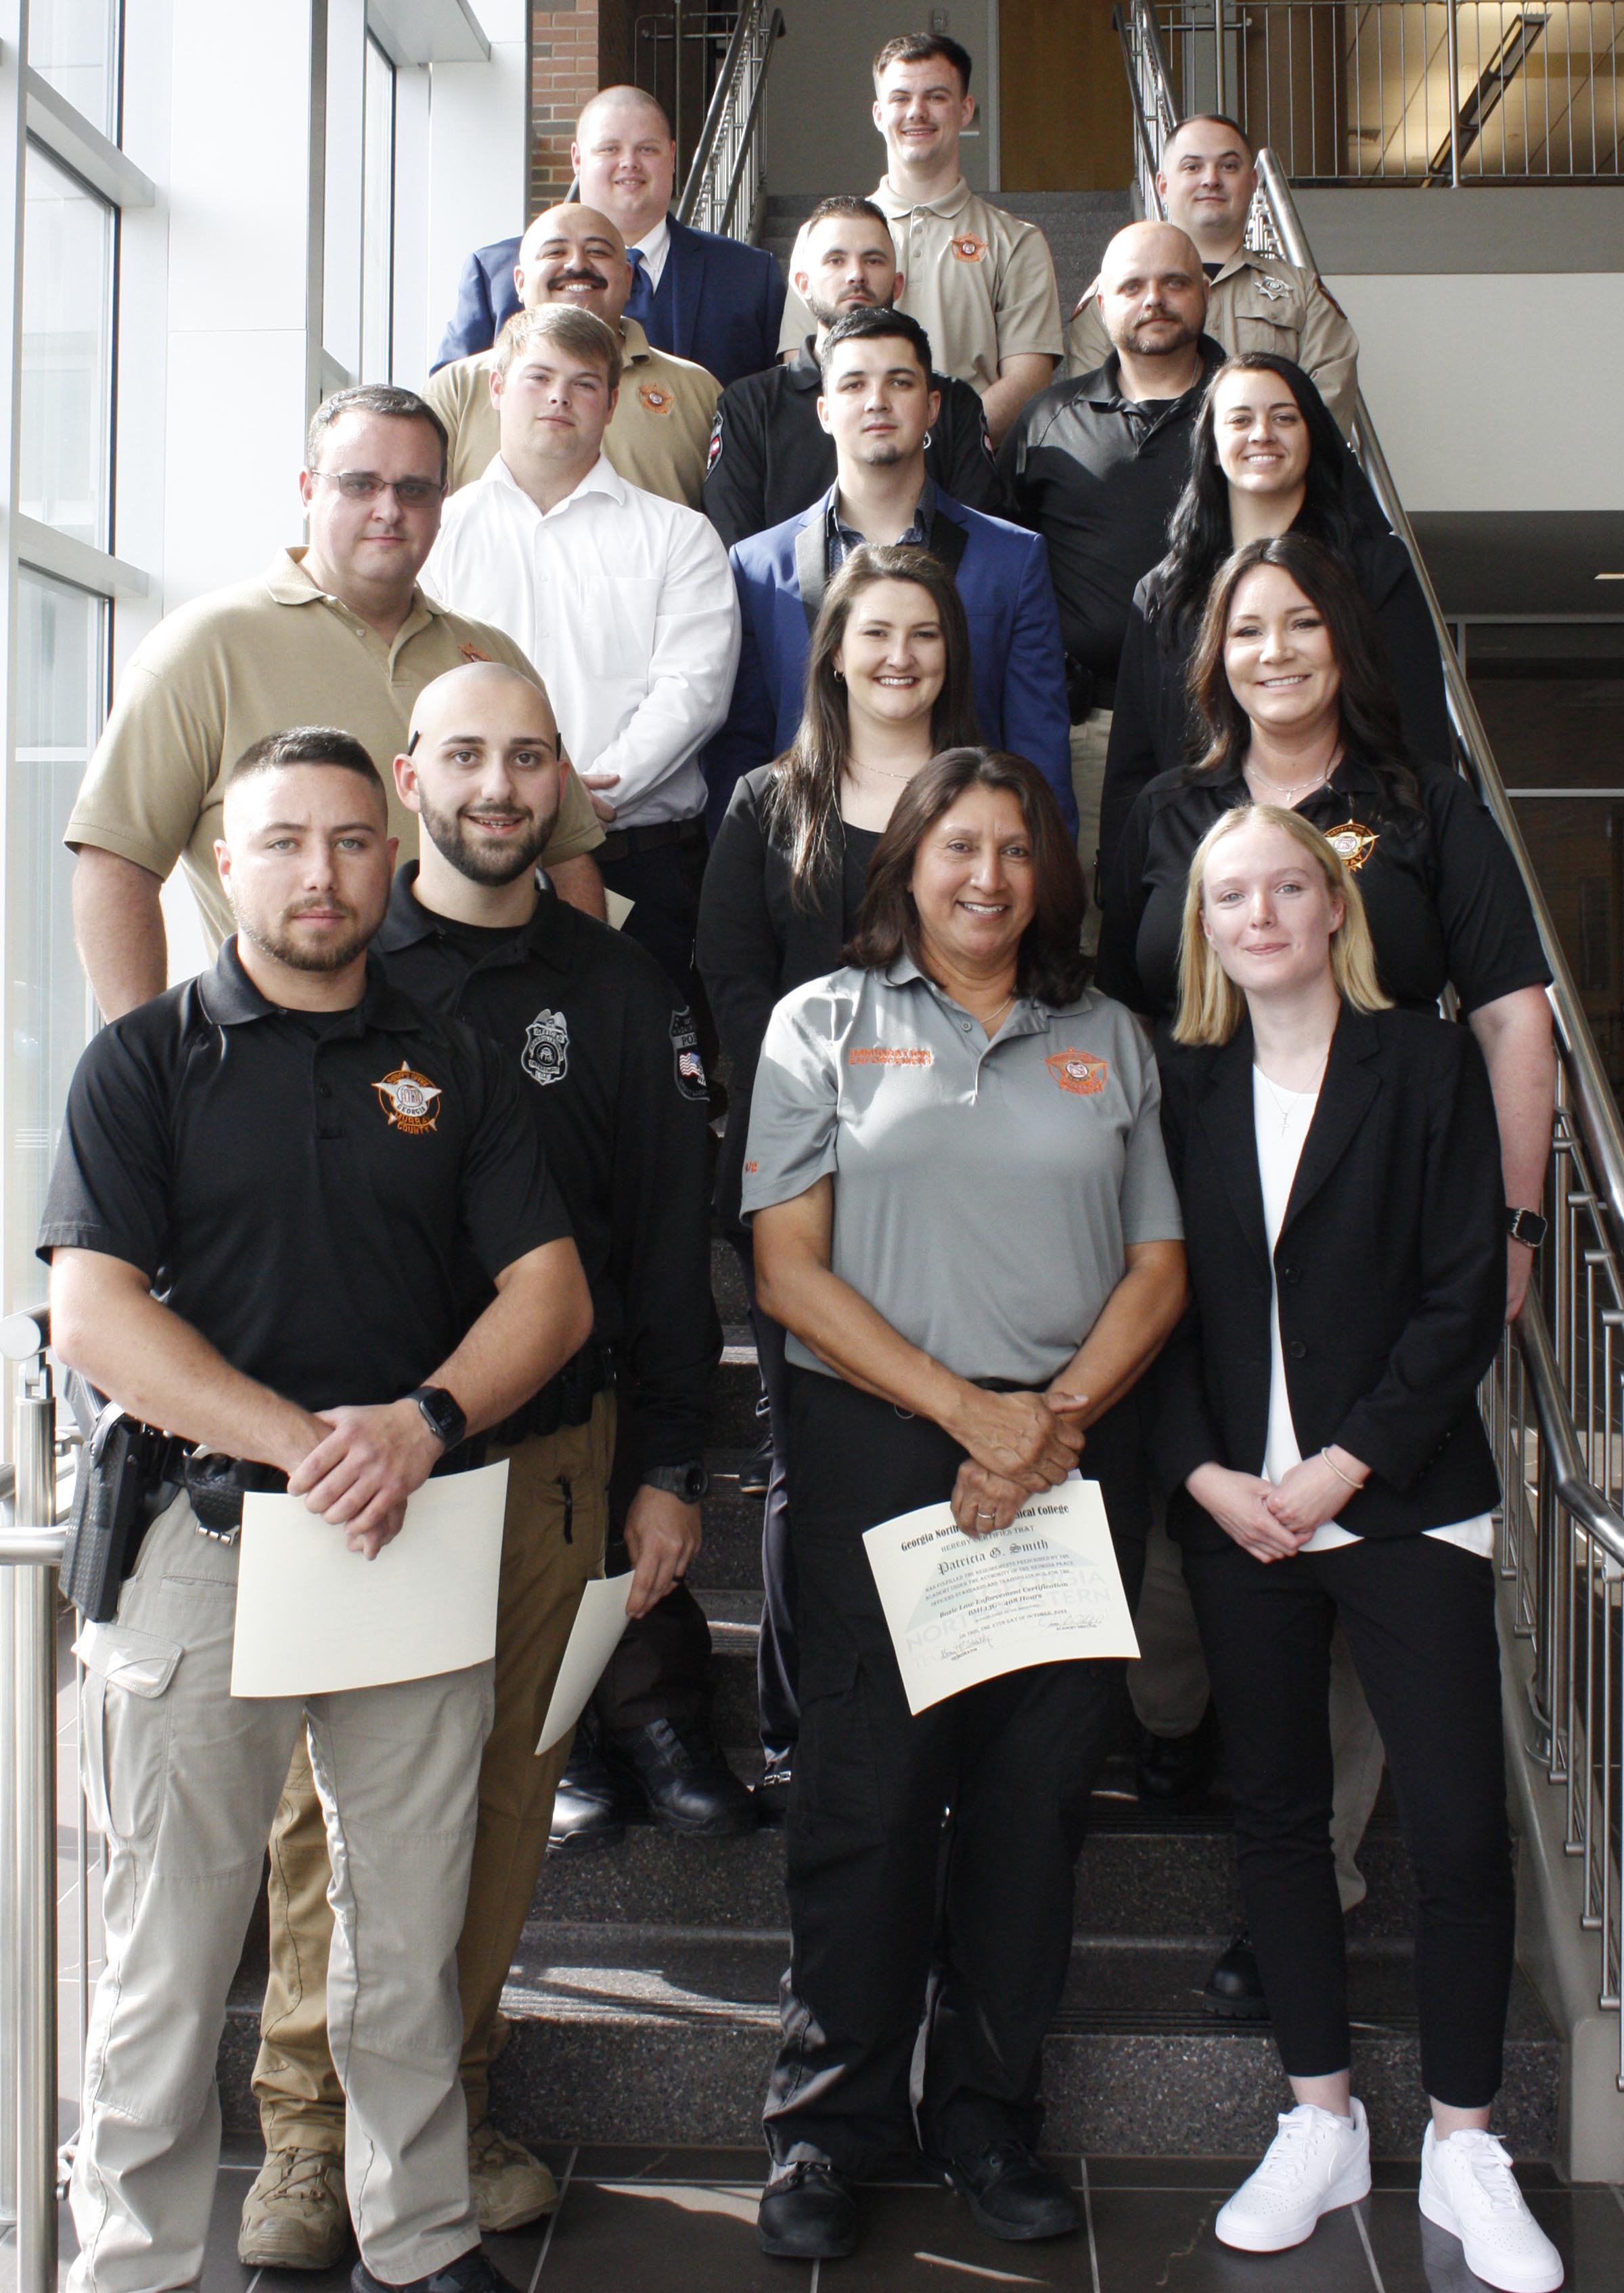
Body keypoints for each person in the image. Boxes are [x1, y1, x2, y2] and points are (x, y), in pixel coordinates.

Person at [43, 729, 593, 2293]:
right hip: (199, 1546)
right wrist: (300, 1443)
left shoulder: (454, 1061)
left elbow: (545, 1295)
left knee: (406, 1938)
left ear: (392, 850)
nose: (320, 873)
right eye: (284, 841)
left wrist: (419, 1425)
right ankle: (134, 2264)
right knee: (164, 1948)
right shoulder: (143, 1060)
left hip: (406, 1539)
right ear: (227, 858)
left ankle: (416, 2244)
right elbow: (92, 1314)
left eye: (353, 842)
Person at [241, 666, 736, 2267]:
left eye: (527, 758)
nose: (498, 784)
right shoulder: (329, 962)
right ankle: (309, 2145)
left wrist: (669, 1467)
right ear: (407, 782)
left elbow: (666, 1258)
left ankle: (440, 2106)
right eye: (465, 754)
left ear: (563, 785)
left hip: (553, 1465)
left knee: (502, 1803)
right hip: (355, 1481)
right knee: (330, 1824)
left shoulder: (618, 987)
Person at [740, 746, 1188, 2261]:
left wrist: (1046, 1422)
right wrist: (964, 1411)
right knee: (867, 1791)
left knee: (1032, 1794)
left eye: (1014, 849)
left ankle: (987, 2111)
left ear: (1045, 873)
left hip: (1071, 1456)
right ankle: (828, 2120)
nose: (988, 876)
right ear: (909, 864)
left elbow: (1159, 1266)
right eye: (958, 848)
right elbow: (787, 1266)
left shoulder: (1108, 1034)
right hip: (885, 1445)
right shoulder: (824, 1023)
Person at [1100, 535, 1556, 2008]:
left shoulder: (1422, 809)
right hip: (1231, 1277)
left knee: (1383, 1740)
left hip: (1389, 1221)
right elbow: (1130, 1002)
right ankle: (1188, 1745)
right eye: (1247, 628)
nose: (1276, 648)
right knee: (1219, 1664)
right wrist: (1212, 1468)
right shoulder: (1173, 815)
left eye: (1305, 622)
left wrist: (1521, 1223)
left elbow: (1507, 1014)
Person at [1152, 803, 1562, 2293]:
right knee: (1275, 1817)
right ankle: (1317, 2111)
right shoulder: (1177, 1084)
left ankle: (1464, 2136)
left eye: (1284, 886)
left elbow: (1465, 1291)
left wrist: (1340, 1462)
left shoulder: (1429, 1061)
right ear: (1205, 927)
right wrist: (1203, 1465)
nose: (1257, 913)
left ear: (1333, 906)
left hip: (1396, 1495)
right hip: (1236, 1508)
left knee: (1453, 1822)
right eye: (1228, 895)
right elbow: (1157, 1296)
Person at [698, 545, 983, 1813]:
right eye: (876, 634)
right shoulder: (770, 802)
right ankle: (803, 1727)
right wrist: (821, 1123)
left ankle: (949, 1703)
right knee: (810, 1457)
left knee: (945, 1434)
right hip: (805, 1171)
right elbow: (732, 983)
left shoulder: (987, 796)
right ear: (834, 652)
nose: (900, 657)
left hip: (959, 1179)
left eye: (924, 635)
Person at [65, 384, 606, 1018]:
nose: (388, 510)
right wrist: (150, 1067)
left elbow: (568, 858)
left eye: (413, 489)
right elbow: (115, 865)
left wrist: (584, 1026)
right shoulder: (202, 649)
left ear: (442, 501)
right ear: (307, 490)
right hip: (292, 1059)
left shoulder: (492, 658)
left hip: (497, 1051)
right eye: (359, 484)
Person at [424, 305, 740, 992]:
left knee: (642, 1083)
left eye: (583, 383)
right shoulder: (438, 533)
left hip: (636, 861)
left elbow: (693, 691)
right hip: (468, 861)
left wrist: (575, 803)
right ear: (497, 388)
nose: (560, 396)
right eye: (538, 377)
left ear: (614, 402)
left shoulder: (679, 537)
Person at [706, 306, 1072, 837]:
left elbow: (1039, 749)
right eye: (854, 384)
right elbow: (740, 748)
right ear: (825, 411)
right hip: (804, 867)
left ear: (932, 407)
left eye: (899, 382)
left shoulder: (1013, 561)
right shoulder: (759, 566)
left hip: (964, 863)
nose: (877, 400)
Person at [1102, 353, 1451, 883]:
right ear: (1212, 447)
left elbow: (1419, 732)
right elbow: (1134, 760)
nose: (1263, 433)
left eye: (1284, 417)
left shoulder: (1374, 569)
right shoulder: (1162, 592)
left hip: (1352, 862)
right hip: (1194, 866)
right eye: (1240, 420)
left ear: (1313, 437)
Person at [999, 221, 1223, 931]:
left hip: (1227, 725)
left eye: (1174, 282)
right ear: (1101, 303)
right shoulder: (1047, 420)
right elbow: (1001, 558)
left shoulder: (1251, 415)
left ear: (1206, 294)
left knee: (1225, 929)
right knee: (1085, 937)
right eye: (1132, 286)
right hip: (1088, 731)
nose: (1154, 299)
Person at [777, 35, 1062, 445]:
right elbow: (801, 368)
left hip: (966, 479)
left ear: (966, 110)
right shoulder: (818, 239)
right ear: (878, 113)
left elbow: (1029, 380)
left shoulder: (1017, 242)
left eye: (936, 97)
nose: (916, 112)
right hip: (850, 477)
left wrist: (933, 445)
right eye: (900, 98)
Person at [703, 194, 1005, 550]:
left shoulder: (953, 404)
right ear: (802, 285)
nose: (856, 275)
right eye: (836, 259)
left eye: (873, 260)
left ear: (898, 284)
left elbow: (980, 541)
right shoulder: (748, 407)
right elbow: (736, 549)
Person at [432, 87, 785, 386]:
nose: (629, 163)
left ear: (673, 157)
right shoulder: (494, 274)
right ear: (577, 158)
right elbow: (451, 404)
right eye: (609, 149)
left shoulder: (750, 276)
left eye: (647, 149)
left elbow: (776, 407)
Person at [1065, 114, 1361, 437]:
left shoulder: (1301, 293)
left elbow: (1326, 412)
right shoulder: (1113, 293)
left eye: (1229, 167)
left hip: (1269, 477)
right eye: (1193, 167)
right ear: (1163, 186)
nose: (1211, 179)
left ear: (1253, 183)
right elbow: (1094, 416)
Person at [424, 202, 719, 503]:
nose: (577, 264)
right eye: (555, 252)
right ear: (520, 283)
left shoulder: (698, 390)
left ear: (628, 279)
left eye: (598, 252)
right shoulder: (456, 390)